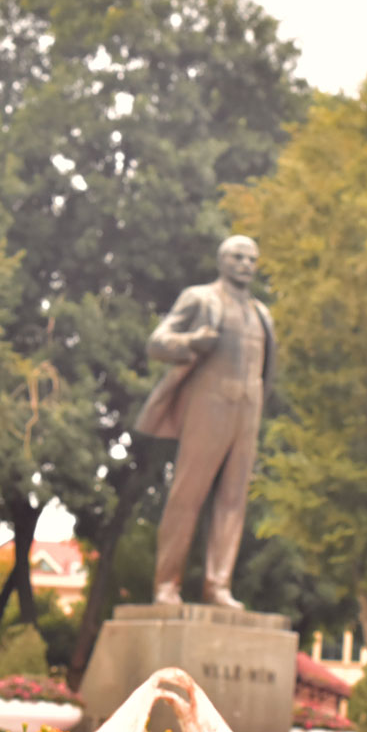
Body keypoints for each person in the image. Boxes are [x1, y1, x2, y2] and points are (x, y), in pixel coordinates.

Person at [134, 234, 275, 609]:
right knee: (187, 495)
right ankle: (166, 585)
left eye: (251, 259)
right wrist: (192, 341)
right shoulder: (201, 298)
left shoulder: (262, 313)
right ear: (221, 260)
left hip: (248, 408)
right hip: (208, 402)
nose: (245, 264)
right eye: (237, 257)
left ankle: (218, 586)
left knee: (233, 501)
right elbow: (157, 342)